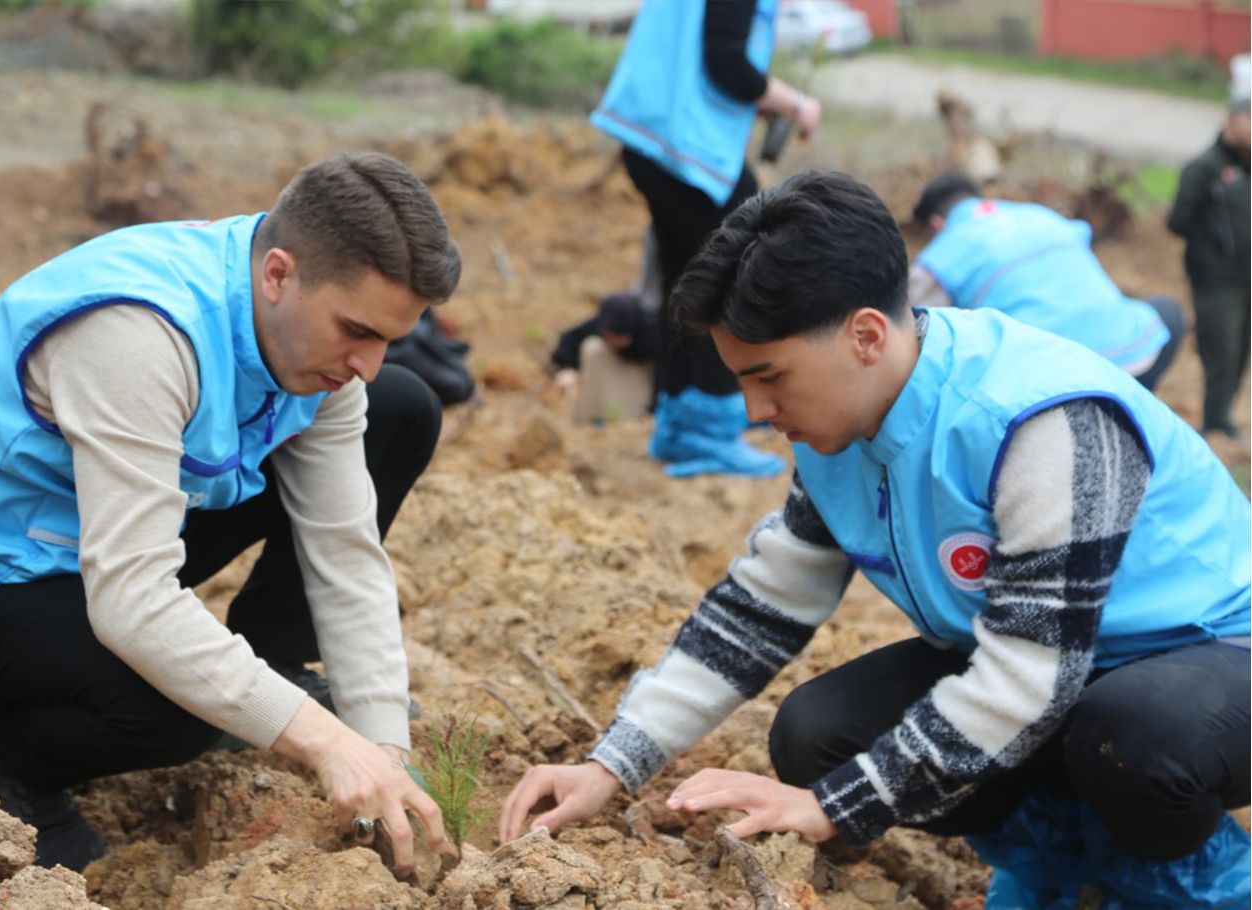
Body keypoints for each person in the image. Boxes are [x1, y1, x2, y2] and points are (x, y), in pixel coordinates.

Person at [500, 170, 1251, 908]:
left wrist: (832, 809)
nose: (757, 409)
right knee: (816, 733)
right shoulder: (838, 433)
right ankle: (1059, 862)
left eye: (770, 377)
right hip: (1064, 680)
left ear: (865, 335)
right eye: (743, 381)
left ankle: (1194, 883)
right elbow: (757, 611)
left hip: (1208, 658)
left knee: (1134, 739)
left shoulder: (1037, 421)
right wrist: (613, 764)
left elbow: (1030, 671)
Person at [0, 152, 461, 876]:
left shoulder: (310, 340)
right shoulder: (137, 334)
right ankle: (6, 755)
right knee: (187, 700)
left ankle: (271, 667)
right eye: (357, 330)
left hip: (108, 525)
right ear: (278, 274)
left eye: (387, 337)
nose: (367, 363)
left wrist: (382, 753)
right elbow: (132, 605)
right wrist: (321, 739)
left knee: (400, 408)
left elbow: (343, 550)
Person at [590, 0, 822, 477]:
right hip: (690, 154)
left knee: (686, 282)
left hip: (655, 141)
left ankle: (679, 419)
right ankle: (709, 427)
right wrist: (794, 103)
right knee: (729, 285)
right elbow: (727, 63)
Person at [910, 172, 1185, 392]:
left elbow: (912, 331)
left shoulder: (944, 252)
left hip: (1051, 382)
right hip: (1133, 358)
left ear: (937, 224)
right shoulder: (1040, 215)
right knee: (1165, 310)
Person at [1167, 94, 1251, 440]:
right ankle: (1214, 423)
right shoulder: (1203, 168)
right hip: (1215, 280)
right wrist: (1211, 246)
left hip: (1246, 276)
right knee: (1221, 349)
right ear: (1233, 120)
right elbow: (1178, 221)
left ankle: (1224, 416)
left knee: (1241, 350)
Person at [550, 290, 658, 425]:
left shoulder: (653, 329)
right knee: (592, 347)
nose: (615, 342)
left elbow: (669, 371)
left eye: (621, 338)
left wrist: (653, 407)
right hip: (610, 381)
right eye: (610, 337)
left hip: (643, 380)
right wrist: (567, 368)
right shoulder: (604, 323)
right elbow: (569, 339)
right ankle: (593, 416)